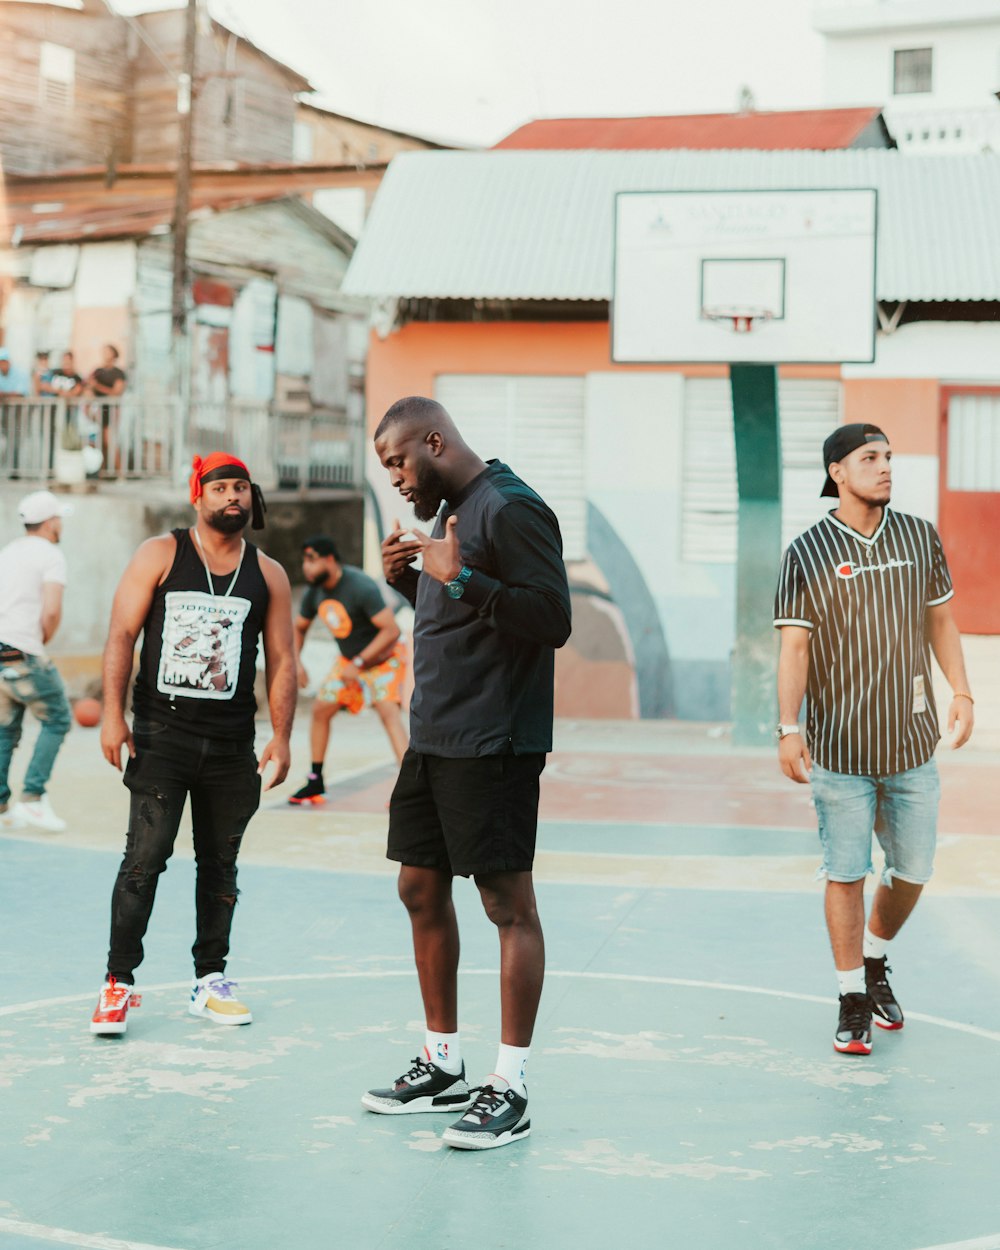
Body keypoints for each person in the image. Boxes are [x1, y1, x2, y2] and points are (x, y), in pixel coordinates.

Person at [361, 395, 572, 1151]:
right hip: (436, 737)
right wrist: (406, 581)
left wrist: (456, 579)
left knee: (507, 906)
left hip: (495, 741)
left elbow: (551, 620)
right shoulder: (452, 518)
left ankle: (509, 1086)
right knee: (418, 887)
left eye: (396, 461)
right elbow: (454, 611)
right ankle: (443, 1061)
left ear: (434, 440)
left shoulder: (512, 509)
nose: (394, 479)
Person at [774, 423, 974, 1056]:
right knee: (846, 872)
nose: (886, 467)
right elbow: (795, 647)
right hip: (839, 751)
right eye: (870, 458)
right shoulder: (806, 551)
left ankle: (875, 956)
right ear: (838, 471)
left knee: (913, 870)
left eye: (888, 456)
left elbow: (940, 619)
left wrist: (962, 692)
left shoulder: (918, 537)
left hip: (911, 746)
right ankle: (851, 995)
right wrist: (787, 728)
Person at [91, 452, 296, 1037]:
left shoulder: (270, 573)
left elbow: (282, 663)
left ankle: (210, 980)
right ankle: (118, 984)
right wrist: (112, 715)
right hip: (161, 735)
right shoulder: (161, 553)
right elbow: (122, 634)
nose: (233, 496)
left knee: (221, 866)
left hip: (232, 744)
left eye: (242, 489)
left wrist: (282, 737)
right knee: (144, 859)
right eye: (222, 487)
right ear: (198, 496)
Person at [288, 535, 408, 805]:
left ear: (329, 559)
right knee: (321, 710)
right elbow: (300, 627)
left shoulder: (360, 586)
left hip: (383, 657)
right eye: (304, 561)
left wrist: (360, 663)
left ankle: (409, 786)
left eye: (311, 560)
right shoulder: (315, 592)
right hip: (349, 662)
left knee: (387, 709)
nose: (306, 567)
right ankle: (315, 781)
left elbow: (392, 630)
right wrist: (297, 662)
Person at [0, 491, 73, 834]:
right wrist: (38, 643)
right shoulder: (50, 554)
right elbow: (53, 609)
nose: (61, 524)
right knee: (57, 719)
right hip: (24, 651)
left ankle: (1, 807)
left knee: (4, 730)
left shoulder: (9, 551)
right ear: (49, 522)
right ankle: (32, 798)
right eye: (59, 518)